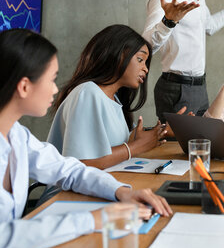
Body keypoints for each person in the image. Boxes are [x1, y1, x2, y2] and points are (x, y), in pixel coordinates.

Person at [0, 29, 172, 248]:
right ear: (24, 86)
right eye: (51, 79)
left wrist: (121, 192)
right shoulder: (86, 93)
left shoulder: (18, 135)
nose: (55, 89)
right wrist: (93, 220)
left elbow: (69, 169)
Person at [48, 25, 167, 170]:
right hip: (71, 192)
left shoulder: (113, 98)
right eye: (140, 59)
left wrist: (165, 129)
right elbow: (81, 165)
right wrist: (135, 147)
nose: (146, 69)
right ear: (118, 55)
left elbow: (116, 143)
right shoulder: (88, 93)